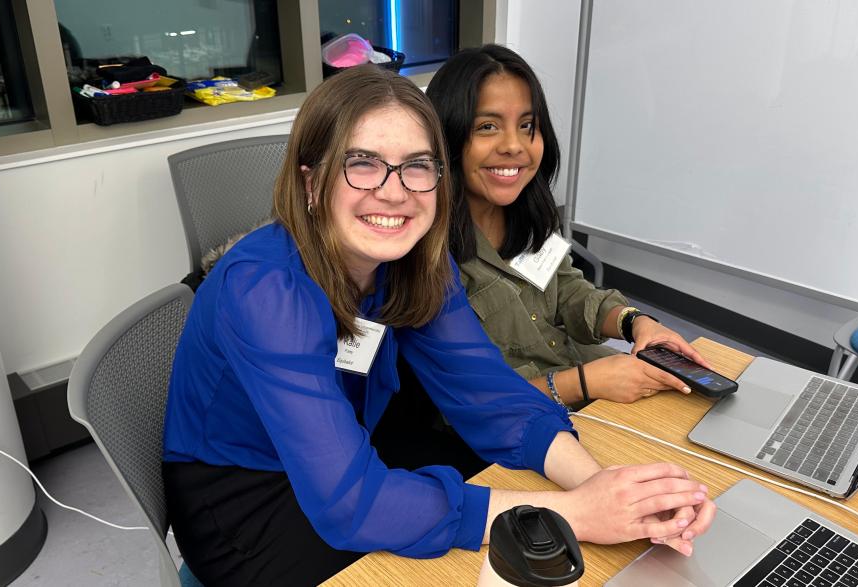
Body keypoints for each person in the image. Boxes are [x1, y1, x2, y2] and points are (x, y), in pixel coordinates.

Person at [161, 64, 715, 586]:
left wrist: (598, 487)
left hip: (349, 445)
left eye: (417, 166)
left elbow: (488, 391)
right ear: (311, 183)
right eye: (362, 162)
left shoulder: (414, 260)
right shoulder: (263, 289)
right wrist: (576, 512)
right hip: (247, 500)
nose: (395, 190)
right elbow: (351, 504)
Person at [426, 45, 714, 408]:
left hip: (590, 382)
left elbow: (569, 292)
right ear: (448, 138)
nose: (515, 146)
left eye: (527, 126)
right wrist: (584, 383)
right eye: (487, 127)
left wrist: (636, 323)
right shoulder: (429, 254)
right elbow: (471, 403)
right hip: (527, 423)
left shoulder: (527, 214)